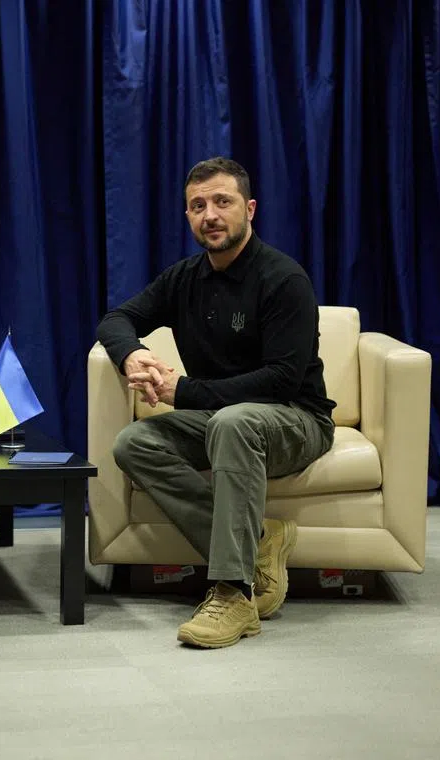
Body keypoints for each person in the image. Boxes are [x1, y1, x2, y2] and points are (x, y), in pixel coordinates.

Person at [97, 157, 336, 649]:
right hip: (221, 419)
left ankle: (232, 592)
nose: (210, 215)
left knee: (232, 423)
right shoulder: (184, 278)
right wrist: (132, 353)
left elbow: (281, 381)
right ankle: (261, 541)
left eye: (222, 202)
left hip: (297, 420)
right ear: (188, 216)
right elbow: (115, 319)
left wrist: (183, 392)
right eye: (197, 206)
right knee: (134, 443)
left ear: (249, 209)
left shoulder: (283, 279)